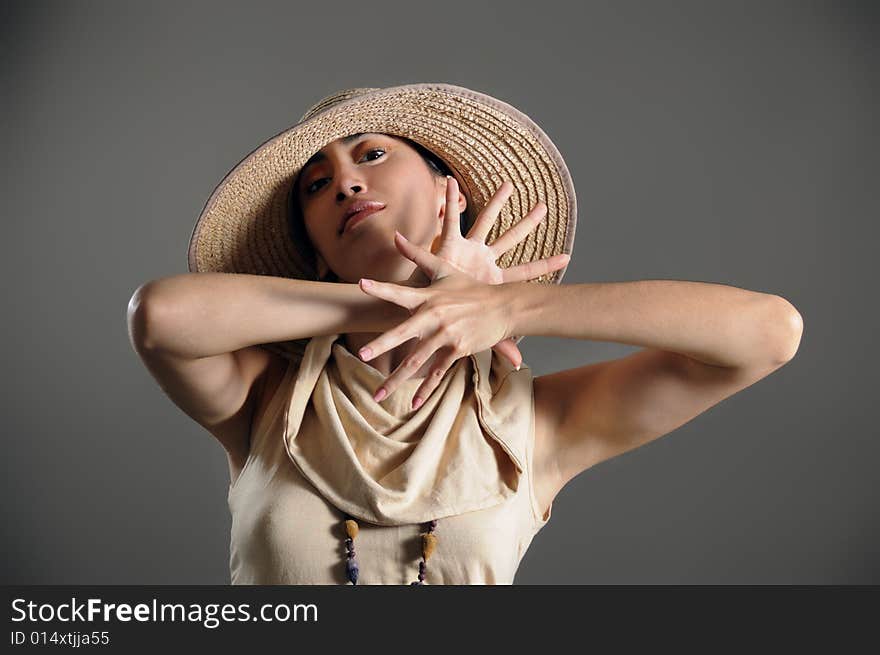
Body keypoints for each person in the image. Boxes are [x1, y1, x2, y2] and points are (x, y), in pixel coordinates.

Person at [127, 83, 803, 585]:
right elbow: (160, 316)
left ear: (449, 192)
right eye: (316, 184)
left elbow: (769, 331)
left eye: (371, 154)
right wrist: (416, 307)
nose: (346, 181)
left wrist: (504, 309)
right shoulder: (264, 399)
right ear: (319, 259)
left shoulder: (533, 428)